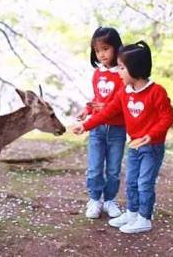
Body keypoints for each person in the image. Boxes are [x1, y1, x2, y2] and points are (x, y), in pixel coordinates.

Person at [73, 40, 173, 233]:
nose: (118, 72)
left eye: (121, 68)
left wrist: (151, 136)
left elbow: (167, 118)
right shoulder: (124, 93)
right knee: (131, 180)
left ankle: (144, 218)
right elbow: (106, 113)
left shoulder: (156, 92)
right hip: (134, 145)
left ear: (134, 69)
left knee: (144, 182)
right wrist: (85, 125)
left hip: (151, 147)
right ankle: (132, 212)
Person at [77, 27, 126, 219]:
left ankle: (110, 200)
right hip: (97, 128)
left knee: (113, 169)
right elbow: (97, 98)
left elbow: (121, 103)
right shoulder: (98, 74)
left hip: (117, 129)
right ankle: (95, 199)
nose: (101, 54)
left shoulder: (123, 74)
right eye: (97, 51)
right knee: (95, 167)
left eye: (105, 48)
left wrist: (104, 106)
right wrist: (87, 109)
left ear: (116, 48)